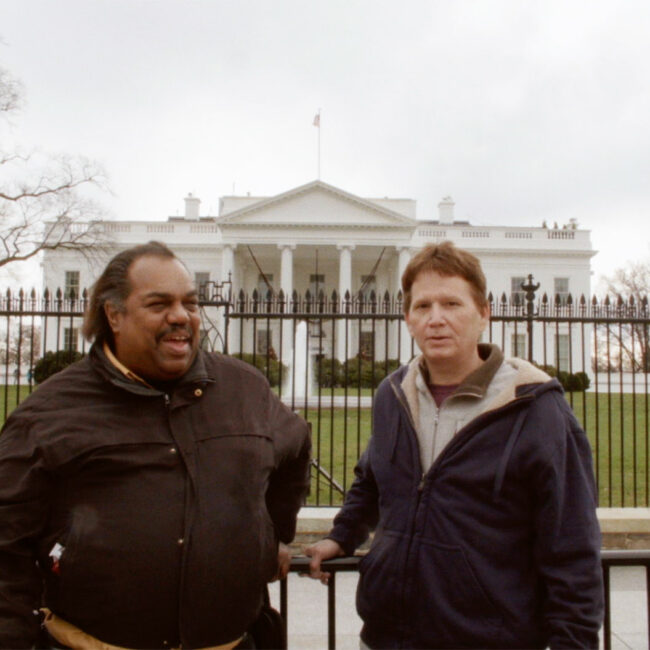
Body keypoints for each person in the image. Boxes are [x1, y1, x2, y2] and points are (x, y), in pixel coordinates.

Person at [0, 241, 311, 649]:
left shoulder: (244, 389)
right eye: (159, 304)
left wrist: (268, 536)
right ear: (114, 314)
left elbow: (295, 449)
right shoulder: (52, 411)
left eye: (190, 303)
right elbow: (6, 546)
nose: (180, 316)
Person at [306, 241, 603, 649]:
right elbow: (373, 480)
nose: (436, 319)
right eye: (423, 306)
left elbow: (572, 545)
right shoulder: (392, 395)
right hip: (386, 637)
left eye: (451, 304)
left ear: (483, 313)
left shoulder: (535, 409)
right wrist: (341, 535)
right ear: (408, 318)